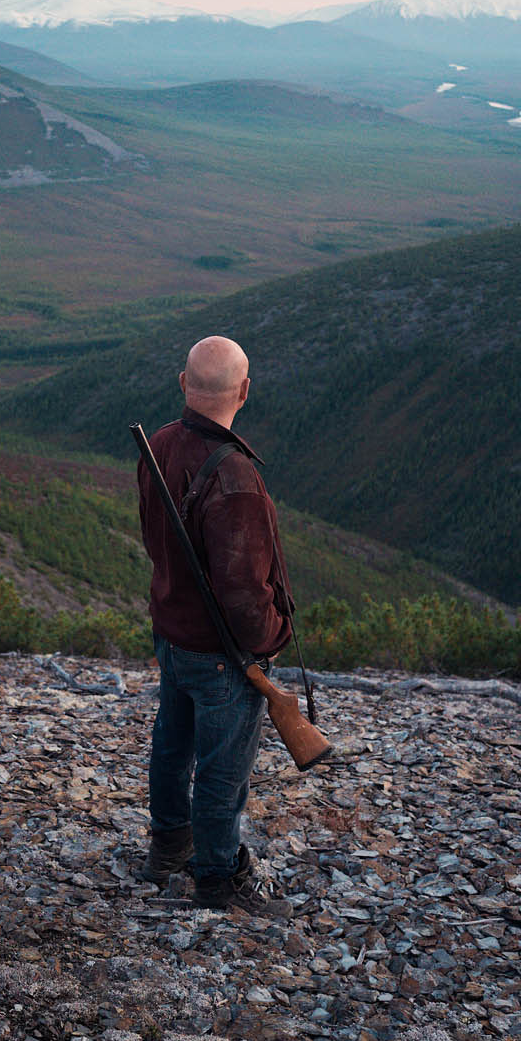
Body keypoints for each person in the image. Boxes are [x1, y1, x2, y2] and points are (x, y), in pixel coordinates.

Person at [136, 335, 294, 916]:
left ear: (184, 383)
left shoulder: (159, 445)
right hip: (221, 653)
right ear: (245, 391)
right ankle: (219, 876)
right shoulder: (236, 480)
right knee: (223, 770)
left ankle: (168, 848)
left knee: (173, 747)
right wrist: (272, 640)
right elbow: (246, 600)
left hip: (172, 633)